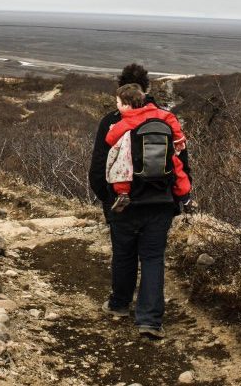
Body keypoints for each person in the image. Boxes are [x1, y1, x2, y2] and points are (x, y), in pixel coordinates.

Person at [88, 64, 193, 339]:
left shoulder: (112, 121)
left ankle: (120, 305)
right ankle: (150, 320)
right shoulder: (167, 119)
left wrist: (108, 200)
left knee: (124, 254)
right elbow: (182, 162)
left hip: (124, 203)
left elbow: (98, 169)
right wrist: (181, 197)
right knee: (153, 257)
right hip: (161, 203)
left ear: (121, 91)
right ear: (146, 89)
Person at [106, 83, 191, 213]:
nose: (116, 105)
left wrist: (112, 129)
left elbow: (110, 139)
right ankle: (185, 197)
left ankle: (123, 194)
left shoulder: (127, 120)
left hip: (136, 159)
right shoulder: (162, 114)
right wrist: (179, 141)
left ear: (126, 105)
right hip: (163, 155)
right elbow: (173, 121)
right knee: (178, 171)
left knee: (122, 169)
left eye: (117, 102)